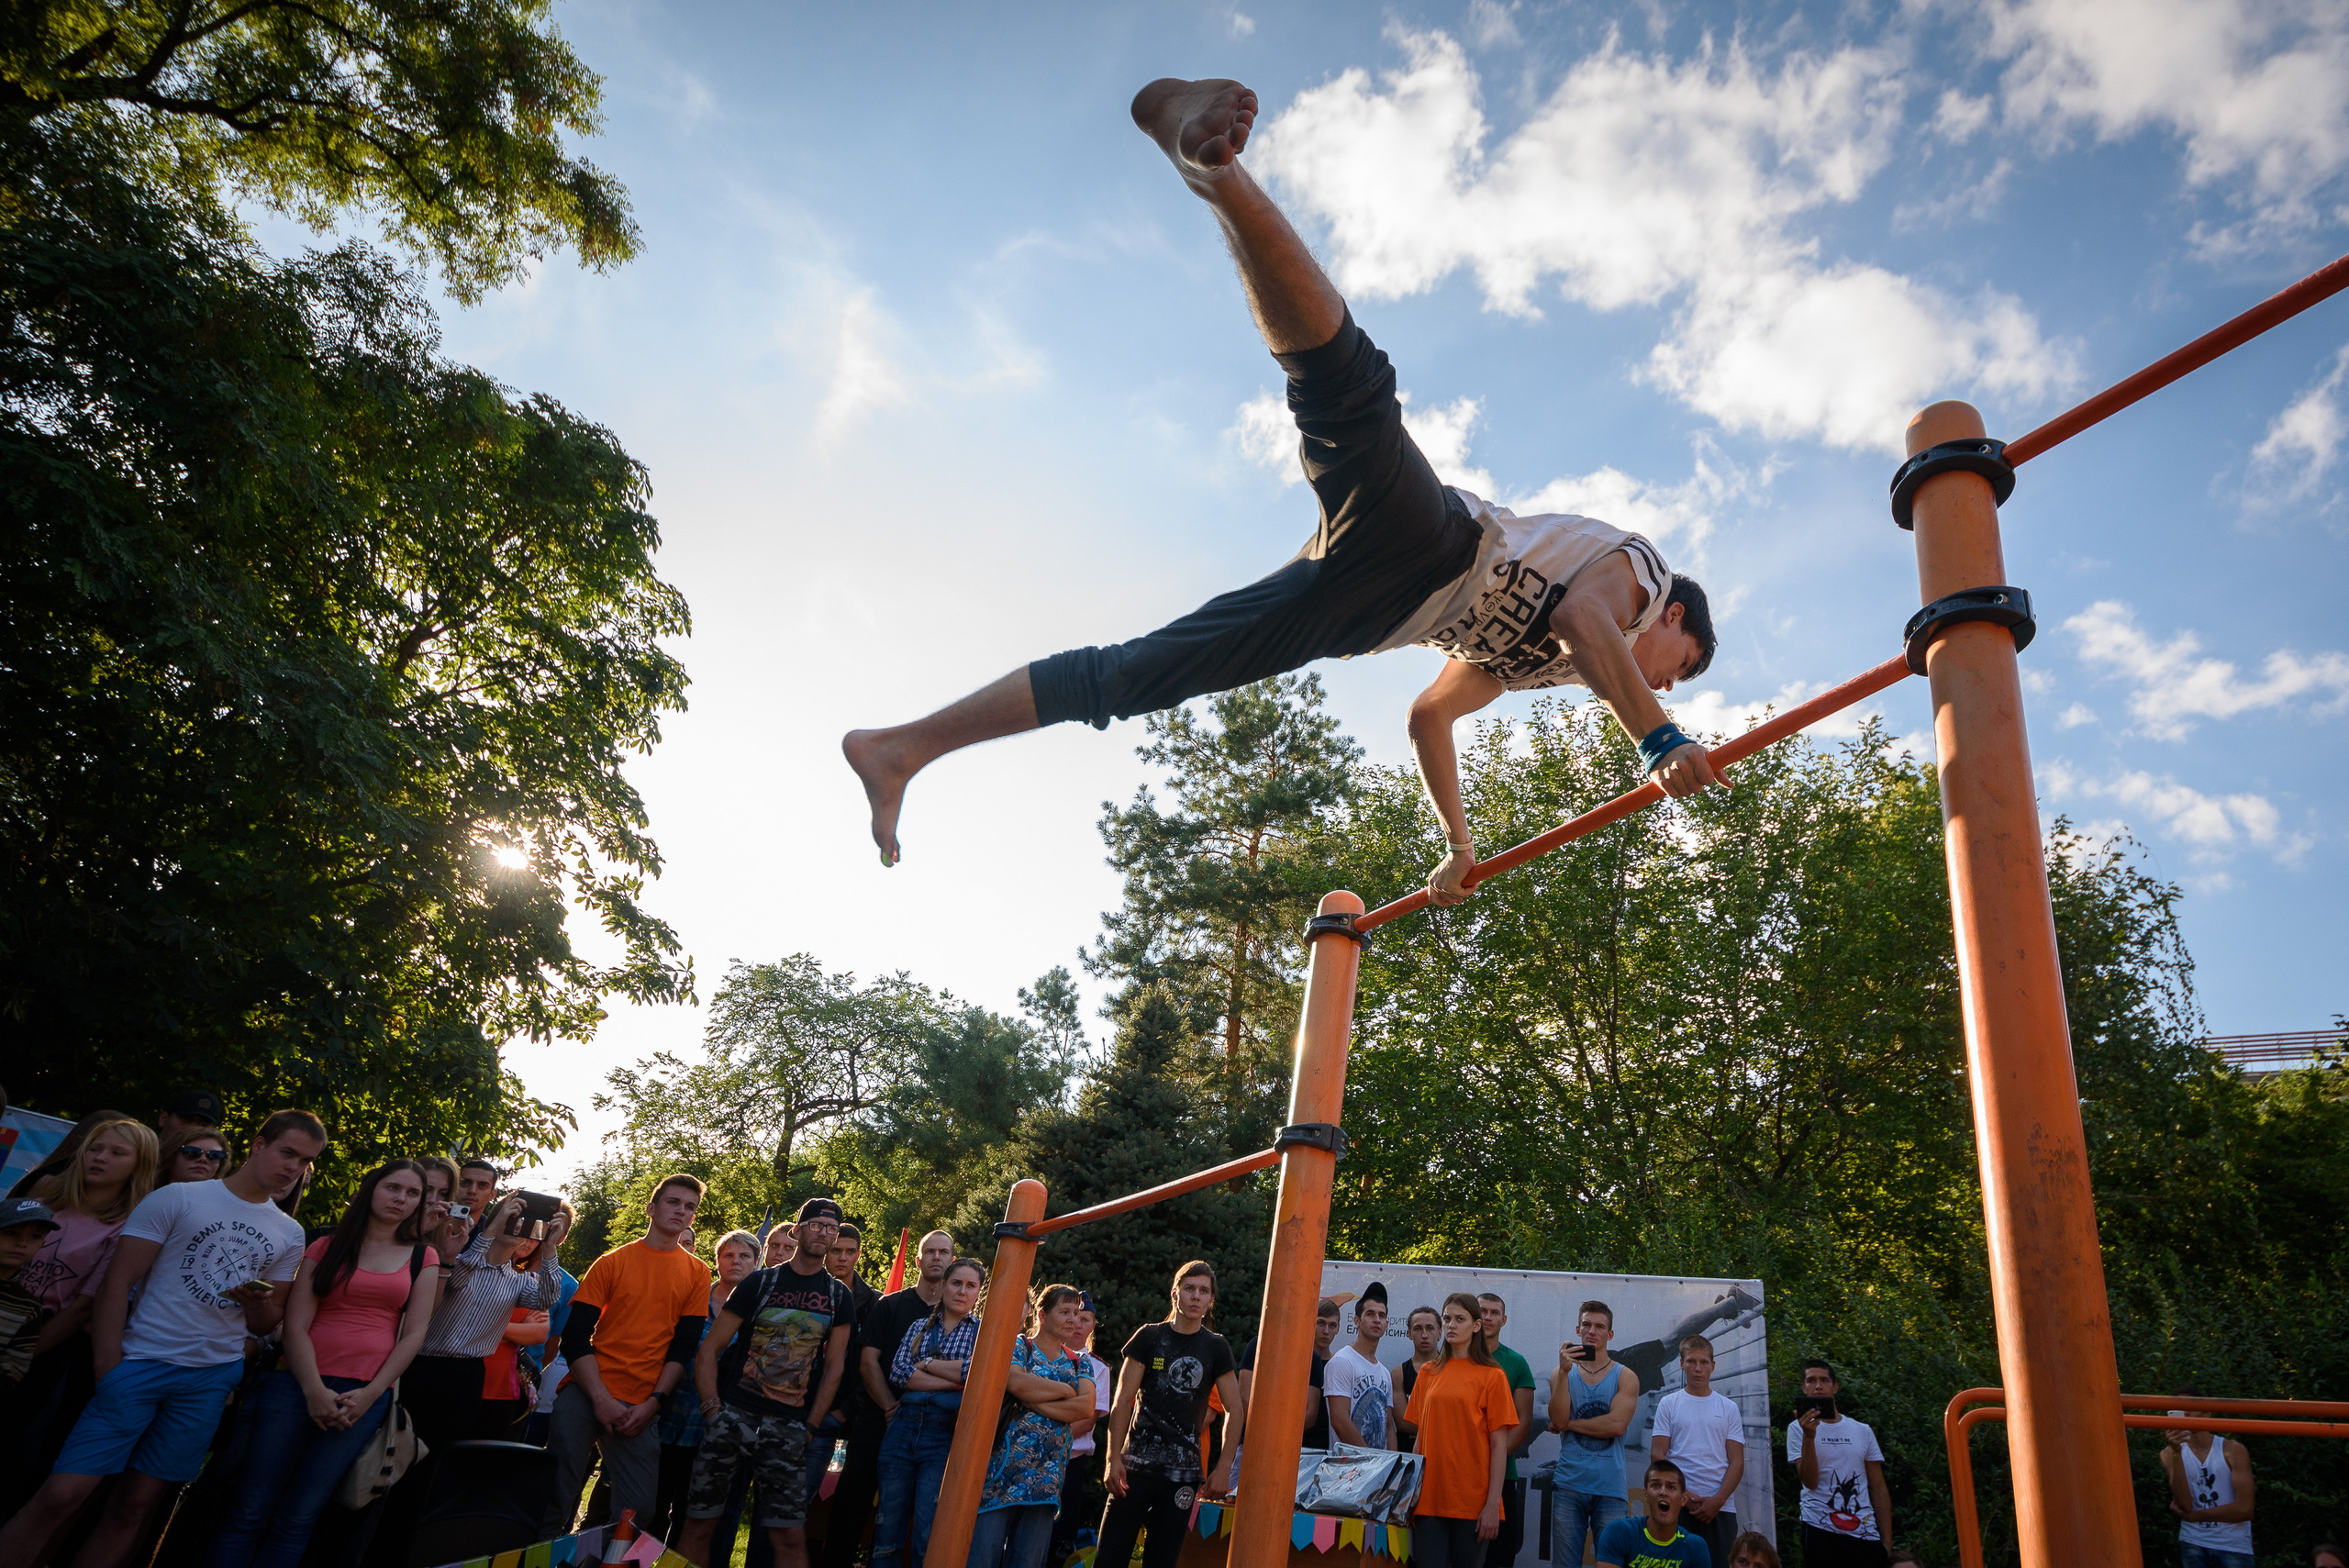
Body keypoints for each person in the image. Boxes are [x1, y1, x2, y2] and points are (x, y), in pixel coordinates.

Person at [842, 76, 1722, 884]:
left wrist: (1460, 849)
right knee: (1349, 391)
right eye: (1678, 669)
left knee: (1142, 675)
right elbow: (1581, 618)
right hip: (1439, 541)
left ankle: (903, 748)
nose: (1667, 683)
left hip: (1361, 608)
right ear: (1674, 619)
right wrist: (1658, 734)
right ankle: (1214, 168)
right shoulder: (1641, 576)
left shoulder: (1538, 669)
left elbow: (1430, 718)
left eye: (1670, 691)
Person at [0, 1109, 322, 1568]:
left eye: (305, 1161)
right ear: (258, 1143)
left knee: (133, 1507)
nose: (293, 1167)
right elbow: (116, 1283)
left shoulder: (290, 1232)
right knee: (60, 1495)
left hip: (209, 1380)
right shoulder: (179, 1197)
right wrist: (108, 1368)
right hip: (139, 1362)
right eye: (288, 1152)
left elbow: (264, 1324)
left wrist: (257, 1305)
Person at [206, 1160, 440, 1568]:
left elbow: (415, 1334)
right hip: (293, 1387)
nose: (401, 1199)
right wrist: (313, 1390)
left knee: (299, 1516)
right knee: (249, 1509)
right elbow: (294, 1325)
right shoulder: (326, 1246)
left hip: (360, 1400)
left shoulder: (424, 1256)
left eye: (413, 1193)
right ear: (372, 1189)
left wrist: (371, 1394)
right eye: (393, 1188)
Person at [676, 1199, 855, 1568]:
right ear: (798, 1230)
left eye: (832, 1229)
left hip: (789, 1426)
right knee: (700, 1523)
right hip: (735, 1414)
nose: (824, 1233)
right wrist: (713, 1410)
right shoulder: (761, 1281)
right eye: (817, 1225)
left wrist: (810, 1425)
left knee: (789, 1535)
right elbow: (710, 1349)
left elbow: (836, 1367)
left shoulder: (839, 1297)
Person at [540, 1174, 713, 1537]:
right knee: (554, 1495)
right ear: (651, 1208)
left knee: (637, 1512)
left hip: (642, 1404)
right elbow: (575, 1337)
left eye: (690, 1207)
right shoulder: (611, 1262)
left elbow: (684, 1347)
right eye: (673, 1202)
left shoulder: (698, 1273)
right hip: (587, 1390)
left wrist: (654, 1403)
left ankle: (591, 1563)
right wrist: (600, 1398)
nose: (681, 1211)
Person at [1097, 1260, 1245, 1568]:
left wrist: (1223, 1467)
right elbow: (1122, 1401)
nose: (1196, 1296)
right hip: (1133, 1471)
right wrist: (1113, 1459)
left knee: (1161, 1562)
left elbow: (1235, 1409)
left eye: (1204, 1291)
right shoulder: (1149, 1337)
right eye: (1189, 1288)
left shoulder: (1216, 1348)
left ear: (1210, 1300)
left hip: (1183, 1477)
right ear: (1174, 1293)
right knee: (1109, 1560)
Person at [823, 1229, 954, 1568]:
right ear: (918, 1259)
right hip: (875, 1419)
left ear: (953, 1259)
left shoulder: (959, 1318)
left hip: (930, 1428)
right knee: (852, 1502)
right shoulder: (890, 1305)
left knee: (913, 1514)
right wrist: (889, 1407)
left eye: (944, 1252)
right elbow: (868, 1362)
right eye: (930, 1251)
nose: (937, 1257)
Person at [969, 1283, 1096, 1568]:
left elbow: (1085, 1407)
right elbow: (1015, 1382)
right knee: (981, 1557)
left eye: (1077, 1313)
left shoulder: (1080, 1362)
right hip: (1001, 1474)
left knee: (1027, 1561)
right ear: (1041, 1314)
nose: (1073, 1320)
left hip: (1046, 1481)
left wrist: (1034, 1401)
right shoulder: (1019, 1345)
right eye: (1065, 1312)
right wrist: (1065, 1390)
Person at [873, 1254, 987, 1568]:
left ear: (979, 1292)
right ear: (944, 1286)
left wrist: (924, 1365)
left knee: (929, 1531)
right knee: (886, 1528)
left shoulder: (984, 1332)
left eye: (970, 1285)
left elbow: (974, 1374)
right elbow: (897, 1372)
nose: (962, 1291)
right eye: (956, 1283)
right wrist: (951, 1379)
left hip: (945, 1433)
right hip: (903, 1428)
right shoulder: (919, 1326)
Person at [653, 1229, 760, 1543]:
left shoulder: (758, 1314)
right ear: (717, 1261)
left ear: (757, 1263)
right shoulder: (692, 1297)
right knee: (650, 1505)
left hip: (712, 1425)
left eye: (744, 1256)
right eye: (728, 1255)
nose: (735, 1262)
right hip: (667, 1412)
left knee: (690, 1513)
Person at [1400, 1292, 1518, 1566]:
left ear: (1476, 1326)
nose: (1451, 1325)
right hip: (1429, 1500)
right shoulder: (1428, 1372)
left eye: (1460, 1319)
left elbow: (1499, 1445)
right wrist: (1411, 1495)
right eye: (1448, 1318)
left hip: (1474, 1504)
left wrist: (1492, 1505)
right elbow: (1420, 1440)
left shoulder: (1493, 1376)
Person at [1550, 1299, 1641, 1567]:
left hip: (1610, 1487)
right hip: (1569, 1484)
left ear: (1610, 1334)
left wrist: (1569, 1424)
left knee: (1611, 1564)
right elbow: (1557, 1417)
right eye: (1586, 1325)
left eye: (1600, 1326)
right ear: (1577, 1330)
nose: (1592, 1331)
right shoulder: (1561, 1373)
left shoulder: (1625, 1376)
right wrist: (1565, 1373)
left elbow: (1616, 1426)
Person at [1650, 1334, 1744, 1567]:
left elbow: (1737, 1462)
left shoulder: (1729, 1407)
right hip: (1675, 1505)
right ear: (1682, 1364)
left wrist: (1718, 1500)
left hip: (1720, 1508)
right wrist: (1684, 1495)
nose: (1698, 1369)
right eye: (1691, 1361)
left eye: (1704, 1363)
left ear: (1713, 1365)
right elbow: (1658, 1455)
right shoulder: (1668, 1403)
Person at [1788, 1360, 1891, 1567]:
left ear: (1835, 1387)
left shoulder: (1862, 1430)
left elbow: (1878, 1487)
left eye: (1824, 1380)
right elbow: (1810, 1481)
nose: (1818, 1386)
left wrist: (1887, 1543)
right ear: (1803, 1387)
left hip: (1864, 1531)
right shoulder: (1797, 1428)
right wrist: (1809, 1436)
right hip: (1820, 1527)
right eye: (1811, 1380)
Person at [1047, 1294, 1114, 1565]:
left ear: (1093, 1326)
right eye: (1073, 1316)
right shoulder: (1044, 1356)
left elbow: (1088, 1420)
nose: (1077, 1324)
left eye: (1085, 1319)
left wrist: (1046, 1437)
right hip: (1030, 1455)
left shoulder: (1099, 1369)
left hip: (1069, 1462)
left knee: (1058, 1538)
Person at [1475, 1293, 1541, 1567]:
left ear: (1504, 1319)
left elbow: (1524, 1424)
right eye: (1482, 1311)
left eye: (1494, 1312)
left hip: (1503, 1477)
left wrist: (1493, 1461)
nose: (1488, 1317)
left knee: (1499, 1558)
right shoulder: (1451, 1359)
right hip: (1457, 1477)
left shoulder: (1516, 1363)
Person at [2161, 1389, 2254, 1568]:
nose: (2185, 1413)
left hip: (2232, 1545)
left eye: (2189, 1407)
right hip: (2193, 1541)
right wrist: (2176, 1453)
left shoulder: (2232, 1450)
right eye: (2178, 1408)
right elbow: (2184, 1504)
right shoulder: (2168, 1454)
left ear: (2207, 1413)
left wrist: (2195, 1516)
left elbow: (2245, 1509)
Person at [1595, 1460, 1710, 1568]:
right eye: (1656, 1485)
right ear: (1645, 1494)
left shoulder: (1696, 1546)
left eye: (1671, 1487)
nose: (1663, 1492)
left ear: (1684, 1499)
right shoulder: (1618, 1532)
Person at [0, 1200, 61, 1388]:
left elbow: (14, 1367)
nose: (22, 1243)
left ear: (43, 1243)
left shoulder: (28, 1307)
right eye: (12, 1233)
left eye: (34, 1236)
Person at [1326, 1282, 1394, 1450]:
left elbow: (1389, 1427)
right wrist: (1371, 1460)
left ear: (1386, 1323)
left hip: (1381, 1471)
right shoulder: (1342, 1362)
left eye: (1382, 1315)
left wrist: (1393, 1467)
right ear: (1357, 1320)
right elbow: (1339, 1421)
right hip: (1348, 1469)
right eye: (1370, 1314)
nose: (1377, 1320)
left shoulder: (1385, 1373)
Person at [1396, 1305, 1442, 1452]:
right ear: (1409, 1333)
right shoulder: (1399, 1373)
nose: (1424, 1335)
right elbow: (1403, 1423)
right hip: (1408, 1452)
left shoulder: (1453, 1370)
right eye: (1418, 1329)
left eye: (1430, 1328)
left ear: (1440, 1333)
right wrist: (1444, 1430)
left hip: (1442, 1452)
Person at [151, 1092, 224, 1151]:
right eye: (187, 1120)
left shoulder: (209, 1166)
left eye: (203, 1125)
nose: (193, 1129)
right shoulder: (141, 1155)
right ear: (164, 1119)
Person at [156, 1128, 229, 1184]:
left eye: (214, 1155)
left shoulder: (223, 1203)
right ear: (171, 1156)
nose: (203, 1159)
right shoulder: (148, 1195)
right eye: (192, 1152)